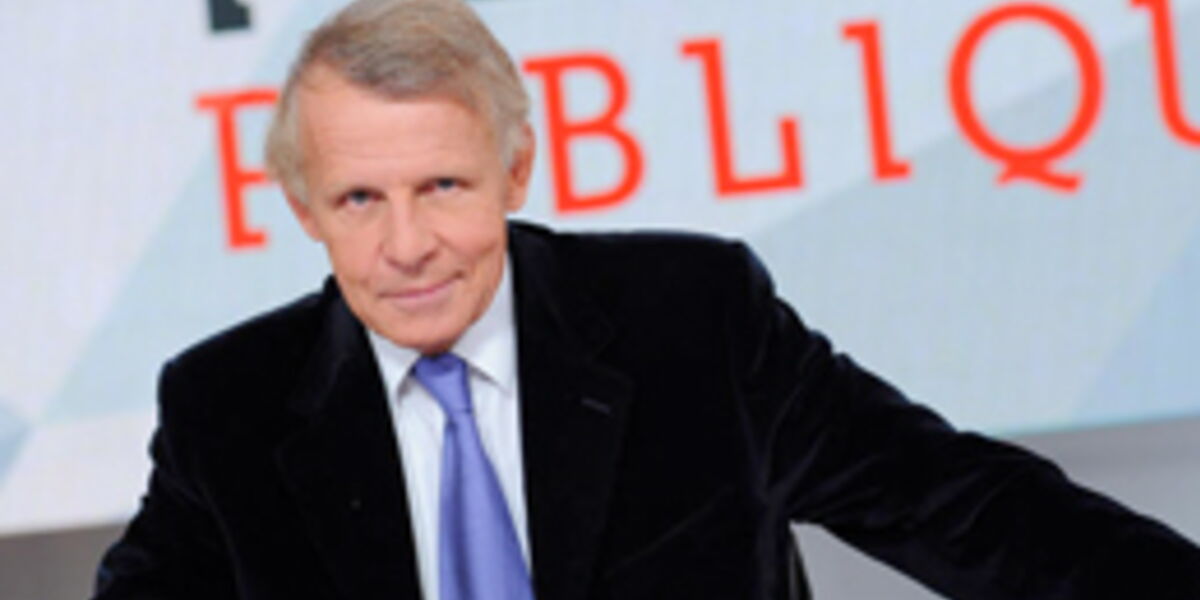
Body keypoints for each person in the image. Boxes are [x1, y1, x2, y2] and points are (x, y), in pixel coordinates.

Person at [93, 0, 1200, 598]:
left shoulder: (694, 321)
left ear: (516, 172)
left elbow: (963, 509)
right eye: (359, 200)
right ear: (305, 210)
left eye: (443, 187)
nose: (408, 245)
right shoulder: (226, 406)